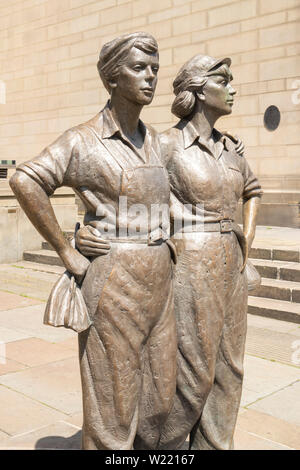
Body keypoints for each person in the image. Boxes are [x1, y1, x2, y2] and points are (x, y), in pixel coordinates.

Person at [9, 32, 177, 450]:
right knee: (113, 402)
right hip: (114, 281)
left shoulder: (156, 139)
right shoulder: (83, 140)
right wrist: (66, 246)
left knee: (160, 396)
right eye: (139, 68)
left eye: (155, 68)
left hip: (160, 278)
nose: (151, 77)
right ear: (112, 79)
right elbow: (25, 179)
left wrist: (226, 142)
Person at [153, 54, 263, 450]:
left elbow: (252, 191)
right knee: (192, 373)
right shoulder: (164, 144)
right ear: (200, 90)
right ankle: (161, 448)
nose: (234, 88)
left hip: (231, 262)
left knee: (229, 368)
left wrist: (245, 243)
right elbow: (125, 192)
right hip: (190, 264)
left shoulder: (232, 148)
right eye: (225, 81)